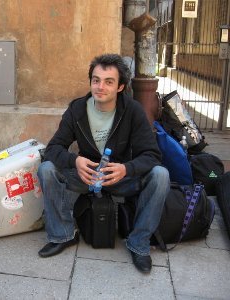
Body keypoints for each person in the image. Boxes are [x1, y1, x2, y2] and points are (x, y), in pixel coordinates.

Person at [37, 53, 170, 273]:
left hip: (120, 176)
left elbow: (152, 155)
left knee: (160, 175)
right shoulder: (77, 109)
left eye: (109, 82)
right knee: (47, 169)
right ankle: (62, 235)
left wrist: (127, 168)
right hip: (86, 177)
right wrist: (75, 160)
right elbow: (52, 149)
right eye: (96, 80)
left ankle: (139, 243)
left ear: (120, 87)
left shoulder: (133, 111)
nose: (100, 87)